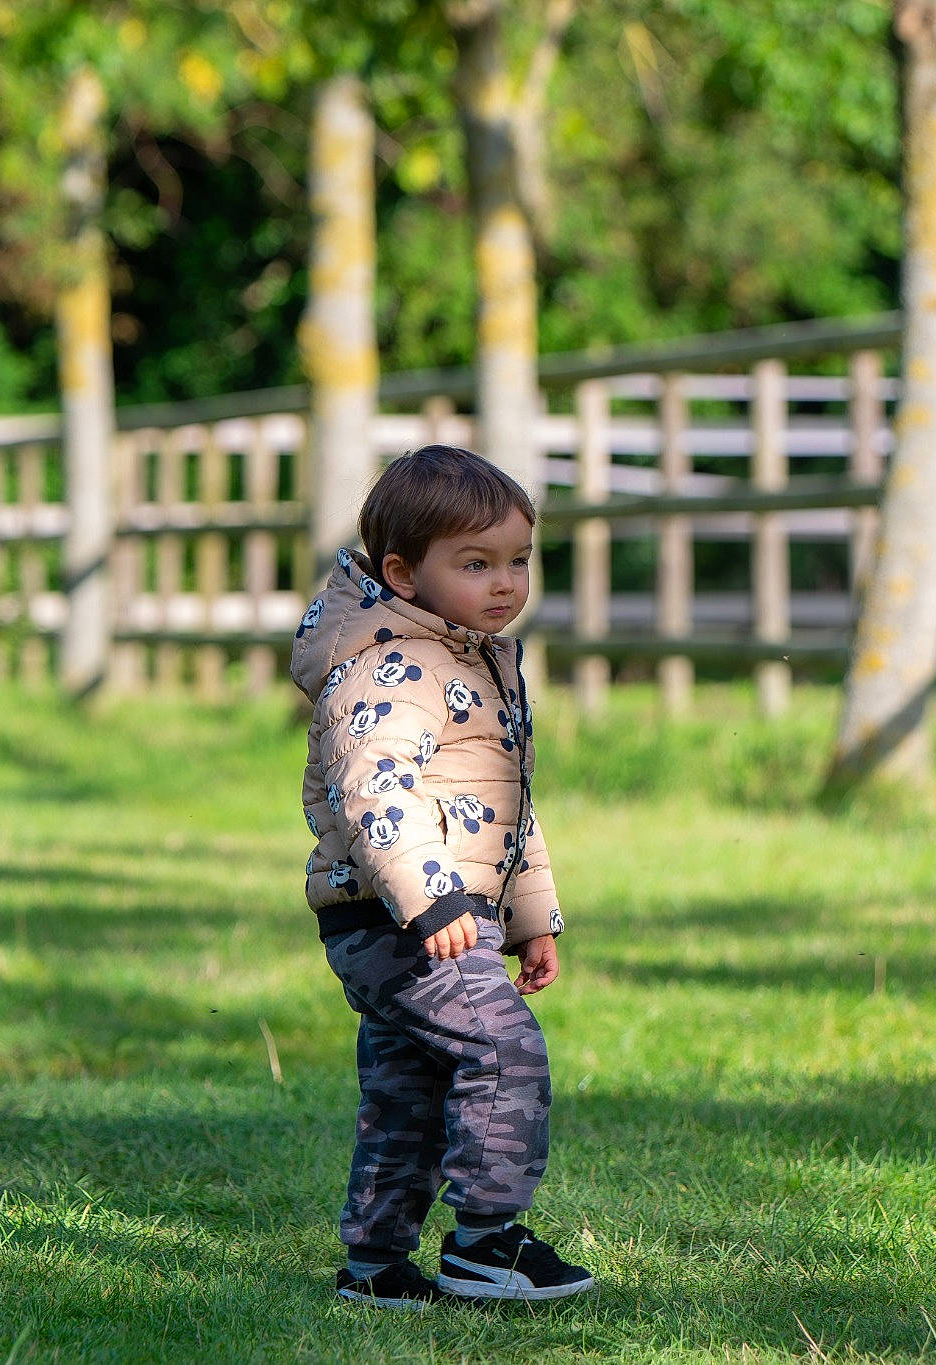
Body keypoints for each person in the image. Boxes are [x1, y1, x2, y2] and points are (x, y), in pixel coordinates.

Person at [289, 444, 594, 1309]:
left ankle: (375, 1264)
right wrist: (429, 896)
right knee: (501, 1048)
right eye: (475, 564)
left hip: (442, 913)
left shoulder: (477, 655)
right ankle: (486, 1241)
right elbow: (373, 788)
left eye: (518, 560)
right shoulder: (390, 664)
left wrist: (531, 913)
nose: (505, 583)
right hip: (397, 916)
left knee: (409, 1090)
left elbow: (504, 802)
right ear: (403, 572)